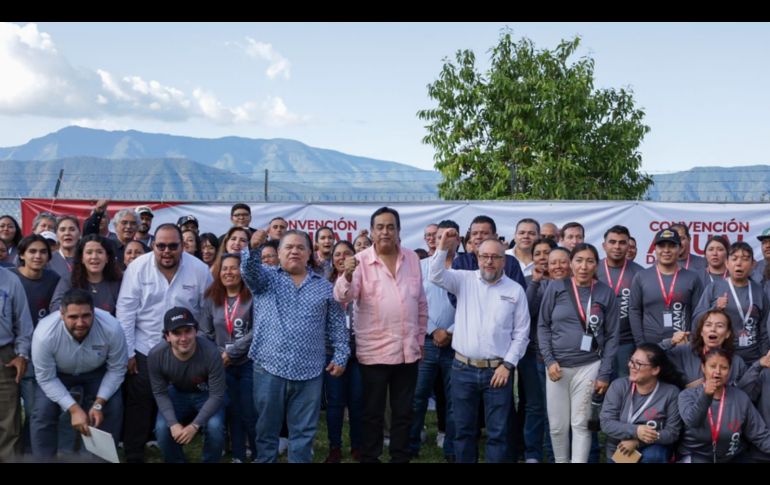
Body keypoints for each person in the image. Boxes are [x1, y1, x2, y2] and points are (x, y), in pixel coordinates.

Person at [241, 229, 348, 463]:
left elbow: (338, 327)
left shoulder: (324, 287)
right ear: (278, 253)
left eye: (300, 247)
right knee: (266, 431)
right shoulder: (266, 278)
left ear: (310, 253)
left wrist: (341, 355)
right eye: (288, 247)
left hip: (309, 372)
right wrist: (253, 248)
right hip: (269, 367)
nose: (294, 251)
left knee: (303, 434)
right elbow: (248, 271)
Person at [334, 207, 427, 463]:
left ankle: (400, 457)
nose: (385, 231)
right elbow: (343, 297)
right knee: (372, 413)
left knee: (404, 412)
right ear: (372, 231)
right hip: (374, 353)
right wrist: (348, 274)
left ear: (398, 230)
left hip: (407, 350)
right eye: (380, 227)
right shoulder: (360, 260)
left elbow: (420, 303)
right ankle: (370, 457)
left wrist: (420, 341)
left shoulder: (412, 259)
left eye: (390, 227)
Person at [430, 229, 530, 463]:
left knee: (498, 433)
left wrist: (508, 365)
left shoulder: (514, 290)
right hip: (462, 369)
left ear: (504, 260)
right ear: (477, 257)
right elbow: (435, 275)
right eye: (484, 256)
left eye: (495, 257)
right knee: (464, 432)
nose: (489, 261)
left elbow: (522, 333)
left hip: (498, 372)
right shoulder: (463, 279)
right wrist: (443, 245)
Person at [117, 223, 212, 463]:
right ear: (153, 245)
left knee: (178, 401)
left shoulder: (199, 270)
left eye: (173, 246)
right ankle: (135, 453)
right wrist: (128, 352)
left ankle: (174, 448)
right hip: (145, 347)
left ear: (183, 245)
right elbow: (126, 312)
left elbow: (206, 311)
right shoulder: (138, 268)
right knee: (141, 403)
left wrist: (198, 347)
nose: (166, 251)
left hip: (186, 350)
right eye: (161, 246)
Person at [538, 243, 619, 463]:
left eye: (589, 261)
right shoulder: (556, 288)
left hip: (589, 365)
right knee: (557, 427)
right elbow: (543, 326)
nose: (584, 266)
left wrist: (604, 373)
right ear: (571, 263)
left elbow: (612, 336)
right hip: (556, 368)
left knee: (581, 424)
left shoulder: (605, 293)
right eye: (579, 260)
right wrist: (549, 360)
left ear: (597, 265)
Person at [30, 289, 127, 460]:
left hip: (97, 372)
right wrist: (74, 409)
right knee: (43, 412)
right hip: (57, 375)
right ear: (61, 314)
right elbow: (46, 378)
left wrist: (98, 404)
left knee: (113, 406)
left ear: (94, 313)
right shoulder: (44, 334)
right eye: (73, 317)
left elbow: (117, 369)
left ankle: (102, 460)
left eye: (86, 316)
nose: (80, 322)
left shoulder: (112, 327)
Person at [148, 307, 226, 463]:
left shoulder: (211, 352)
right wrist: (173, 423)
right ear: (167, 336)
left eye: (188, 331)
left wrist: (194, 426)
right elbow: (160, 392)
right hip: (176, 393)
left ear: (195, 331)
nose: (184, 338)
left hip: (207, 394)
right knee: (163, 429)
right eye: (177, 333)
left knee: (215, 427)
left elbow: (217, 394)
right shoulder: (156, 355)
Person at [409, 220, 458, 463]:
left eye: (451, 236)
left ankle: (450, 448)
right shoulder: (420, 267)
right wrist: (434, 330)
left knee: (453, 399)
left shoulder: (467, 266)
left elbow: (471, 305)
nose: (445, 240)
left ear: (458, 239)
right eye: (440, 236)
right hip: (427, 341)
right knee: (417, 396)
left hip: (456, 342)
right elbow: (414, 302)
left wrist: (449, 331)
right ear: (434, 240)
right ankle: (411, 445)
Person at [199, 252, 255, 463]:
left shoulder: (252, 296)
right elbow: (204, 333)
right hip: (220, 364)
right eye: (224, 268)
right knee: (231, 411)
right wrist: (216, 356)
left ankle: (258, 454)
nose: (228, 272)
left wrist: (230, 353)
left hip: (248, 363)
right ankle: (238, 456)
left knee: (249, 412)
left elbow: (256, 331)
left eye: (233, 268)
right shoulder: (211, 298)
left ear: (242, 272)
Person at [10, 235, 61, 451]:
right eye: (32, 251)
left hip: (39, 353)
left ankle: (28, 451)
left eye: (42, 252)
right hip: (10, 351)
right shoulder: (10, 278)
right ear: (21, 254)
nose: (37, 256)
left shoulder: (54, 279)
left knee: (34, 410)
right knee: (9, 411)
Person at [678, 347, 770, 462]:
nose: (717, 372)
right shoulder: (687, 395)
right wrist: (706, 396)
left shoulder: (740, 397)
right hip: (697, 455)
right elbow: (692, 421)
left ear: (729, 370)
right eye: (712, 366)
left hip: (732, 455)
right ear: (703, 367)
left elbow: (759, 434)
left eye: (724, 368)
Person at [600, 343, 684, 463]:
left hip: (652, 449)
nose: (632, 366)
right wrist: (636, 431)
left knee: (654, 456)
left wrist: (638, 441)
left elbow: (672, 433)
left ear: (655, 370)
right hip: (620, 449)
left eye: (638, 364)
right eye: (631, 361)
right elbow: (606, 423)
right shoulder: (618, 386)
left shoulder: (670, 393)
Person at [693, 241, 769, 365]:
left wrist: (764, 356)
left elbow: (764, 328)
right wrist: (714, 308)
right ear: (727, 263)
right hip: (722, 357)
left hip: (754, 358)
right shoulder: (713, 288)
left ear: (752, 265)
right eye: (734, 259)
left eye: (745, 259)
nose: (739, 263)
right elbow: (696, 321)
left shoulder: (759, 291)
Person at [323, 240, 363, 463]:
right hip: (332, 354)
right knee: (336, 403)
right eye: (337, 254)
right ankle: (334, 447)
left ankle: (357, 445)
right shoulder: (324, 284)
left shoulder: (362, 280)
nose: (341, 257)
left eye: (346, 253)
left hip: (358, 353)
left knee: (357, 402)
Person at [629, 228, 703, 346]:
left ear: (679, 249)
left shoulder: (692, 278)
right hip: (650, 345)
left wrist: (692, 340)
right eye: (661, 246)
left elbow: (698, 313)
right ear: (655, 249)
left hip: (682, 344)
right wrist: (641, 344)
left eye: (672, 246)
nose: (666, 250)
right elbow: (634, 311)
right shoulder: (641, 276)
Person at [519, 237, 557, 463]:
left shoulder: (564, 281)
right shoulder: (526, 281)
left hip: (557, 355)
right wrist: (534, 282)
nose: (543, 257)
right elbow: (527, 312)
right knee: (534, 406)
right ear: (532, 258)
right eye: (538, 253)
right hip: (531, 354)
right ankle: (532, 453)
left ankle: (553, 453)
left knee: (554, 409)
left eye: (547, 252)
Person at [598, 225, 644, 378]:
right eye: (612, 242)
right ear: (604, 245)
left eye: (622, 242)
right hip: (597, 342)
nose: (617, 246)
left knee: (625, 387)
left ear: (628, 246)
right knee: (595, 390)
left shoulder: (640, 273)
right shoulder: (592, 269)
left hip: (627, 342)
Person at [0, 266, 33, 461]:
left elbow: (24, 322)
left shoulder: (10, 280)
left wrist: (22, 354)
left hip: (4, 357)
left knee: (8, 421)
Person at [666, 309, 747, 387]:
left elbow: (744, 394)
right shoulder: (684, 352)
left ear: (727, 334)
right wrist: (670, 342)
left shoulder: (737, 363)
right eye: (708, 325)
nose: (713, 329)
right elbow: (654, 359)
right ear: (701, 331)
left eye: (719, 326)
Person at [50, 235, 122, 316]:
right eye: (89, 252)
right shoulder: (69, 279)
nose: (94, 257)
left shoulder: (117, 281)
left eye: (99, 252)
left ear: (107, 258)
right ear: (82, 258)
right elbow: (55, 307)